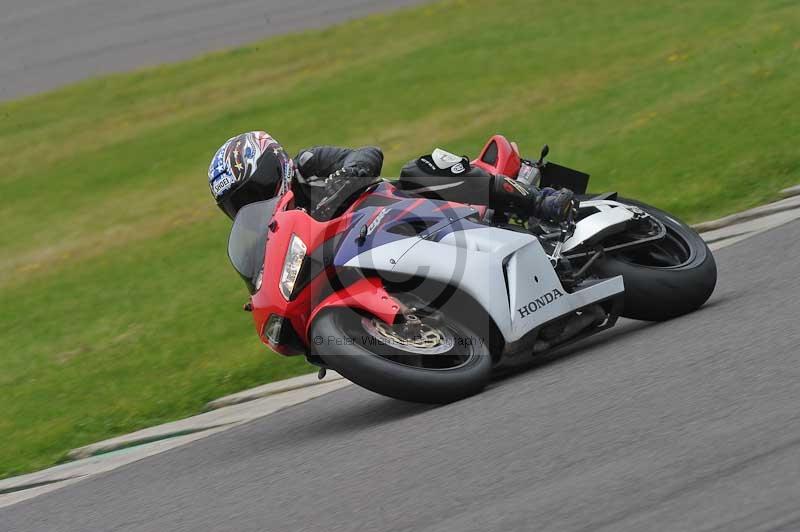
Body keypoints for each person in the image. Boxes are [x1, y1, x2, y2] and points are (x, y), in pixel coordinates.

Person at [207, 130, 574, 222]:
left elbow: (367, 153)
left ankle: (540, 202)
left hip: (400, 211)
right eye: (239, 204)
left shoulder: (307, 164)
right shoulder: (276, 239)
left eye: (255, 190)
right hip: (371, 255)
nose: (253, 204)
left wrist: (347, 174)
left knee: (416, 171)